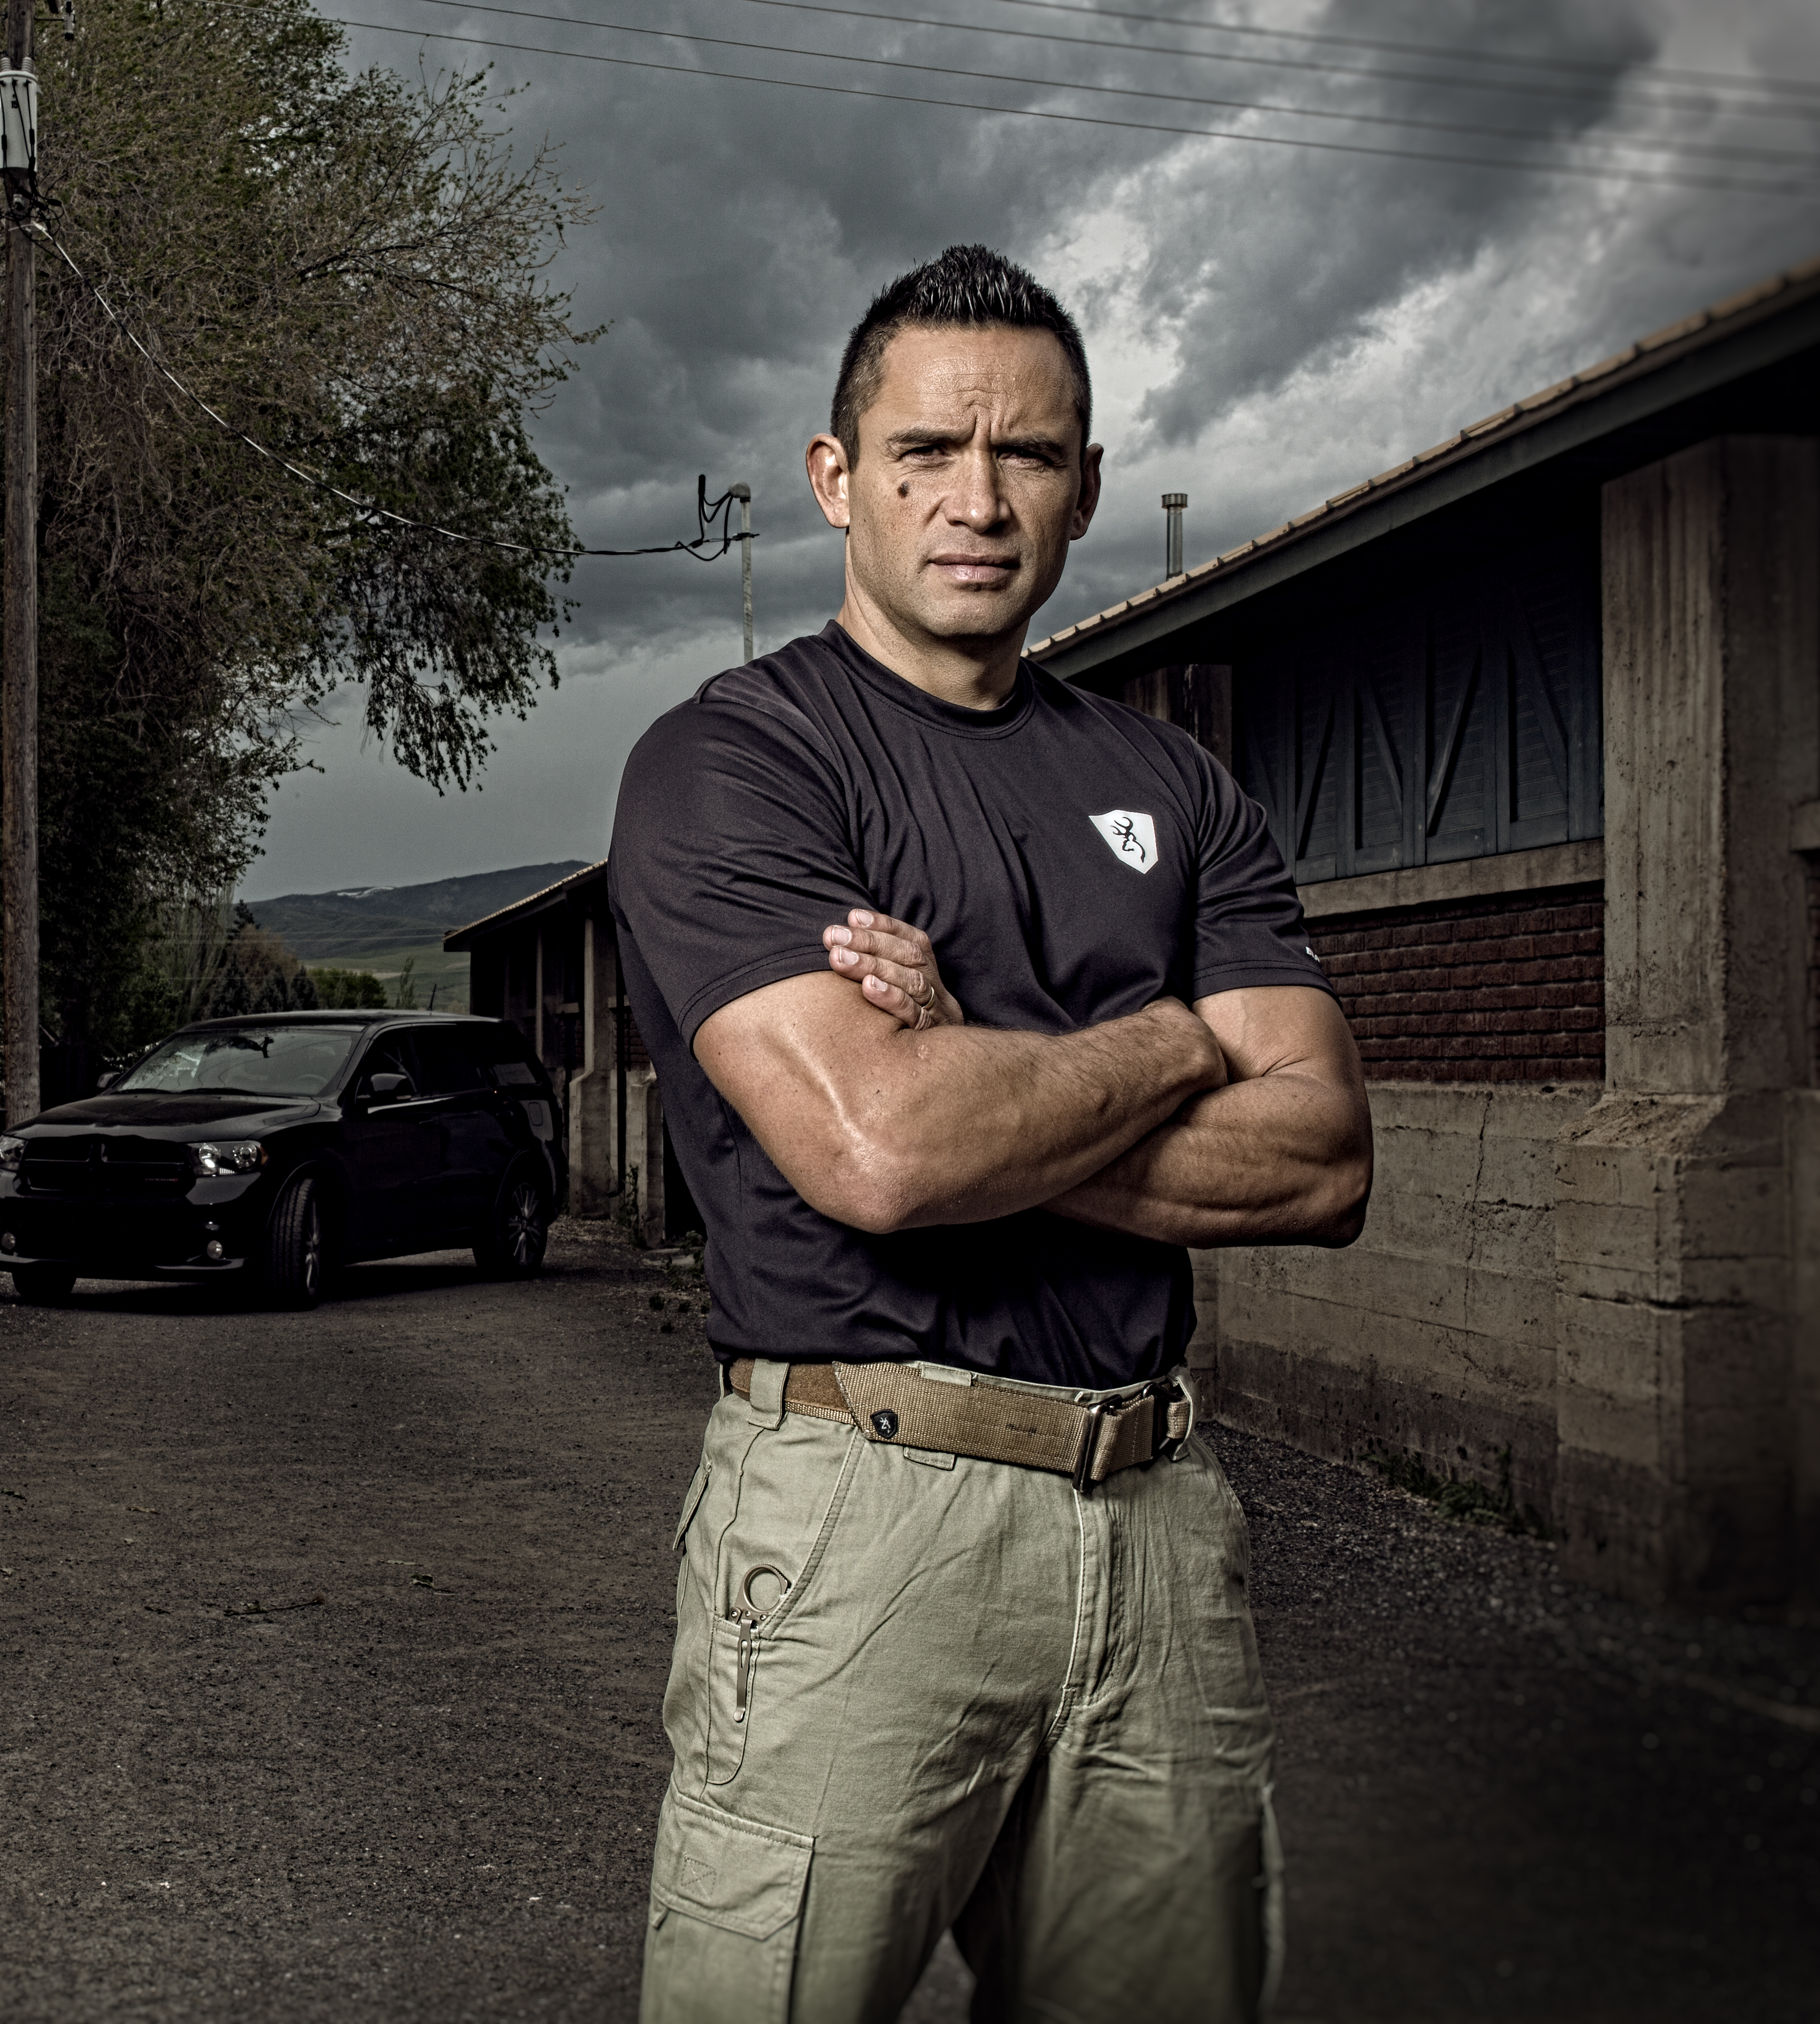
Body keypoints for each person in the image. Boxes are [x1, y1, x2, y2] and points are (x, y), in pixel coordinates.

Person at [608, 244, 1373, 2023]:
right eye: (926, 453)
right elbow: (881, 1155)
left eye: (1026, 457)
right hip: (867, 1518)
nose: (978, 500)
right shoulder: (739, 763)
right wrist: (1179, 1035)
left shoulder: (1178, 787)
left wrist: (983, 1062)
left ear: (1086, 486)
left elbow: (1325, 1155)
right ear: (835, 480)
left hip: (1159, 1519)